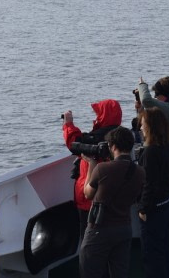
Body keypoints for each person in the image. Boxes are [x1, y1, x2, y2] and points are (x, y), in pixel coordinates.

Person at [80, 127, 145, 278]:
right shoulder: (140, 172)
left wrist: (91, 165)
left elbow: (87, 193)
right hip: (124, 228)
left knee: (89, 271)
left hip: (99, 230)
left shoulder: (102, 169)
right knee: (119, 273)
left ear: (113, 146)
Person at [62, 100, 123, 241]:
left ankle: (88, 261)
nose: (96, 117)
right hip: (114, 200)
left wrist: (68, 124)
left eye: (98, 114)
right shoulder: (121, 137)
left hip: (90, 199)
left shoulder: (95, 138)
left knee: (88, 238)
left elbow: (74, 143)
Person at [137, 108, 169, 278]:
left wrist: (143, 209)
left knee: (153, 255)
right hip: (168, 204)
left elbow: (149, 184)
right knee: (166, 249)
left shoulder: (149, 153)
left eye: (143, 124)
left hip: (154, 210)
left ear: (150, 127)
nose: (140, 127)